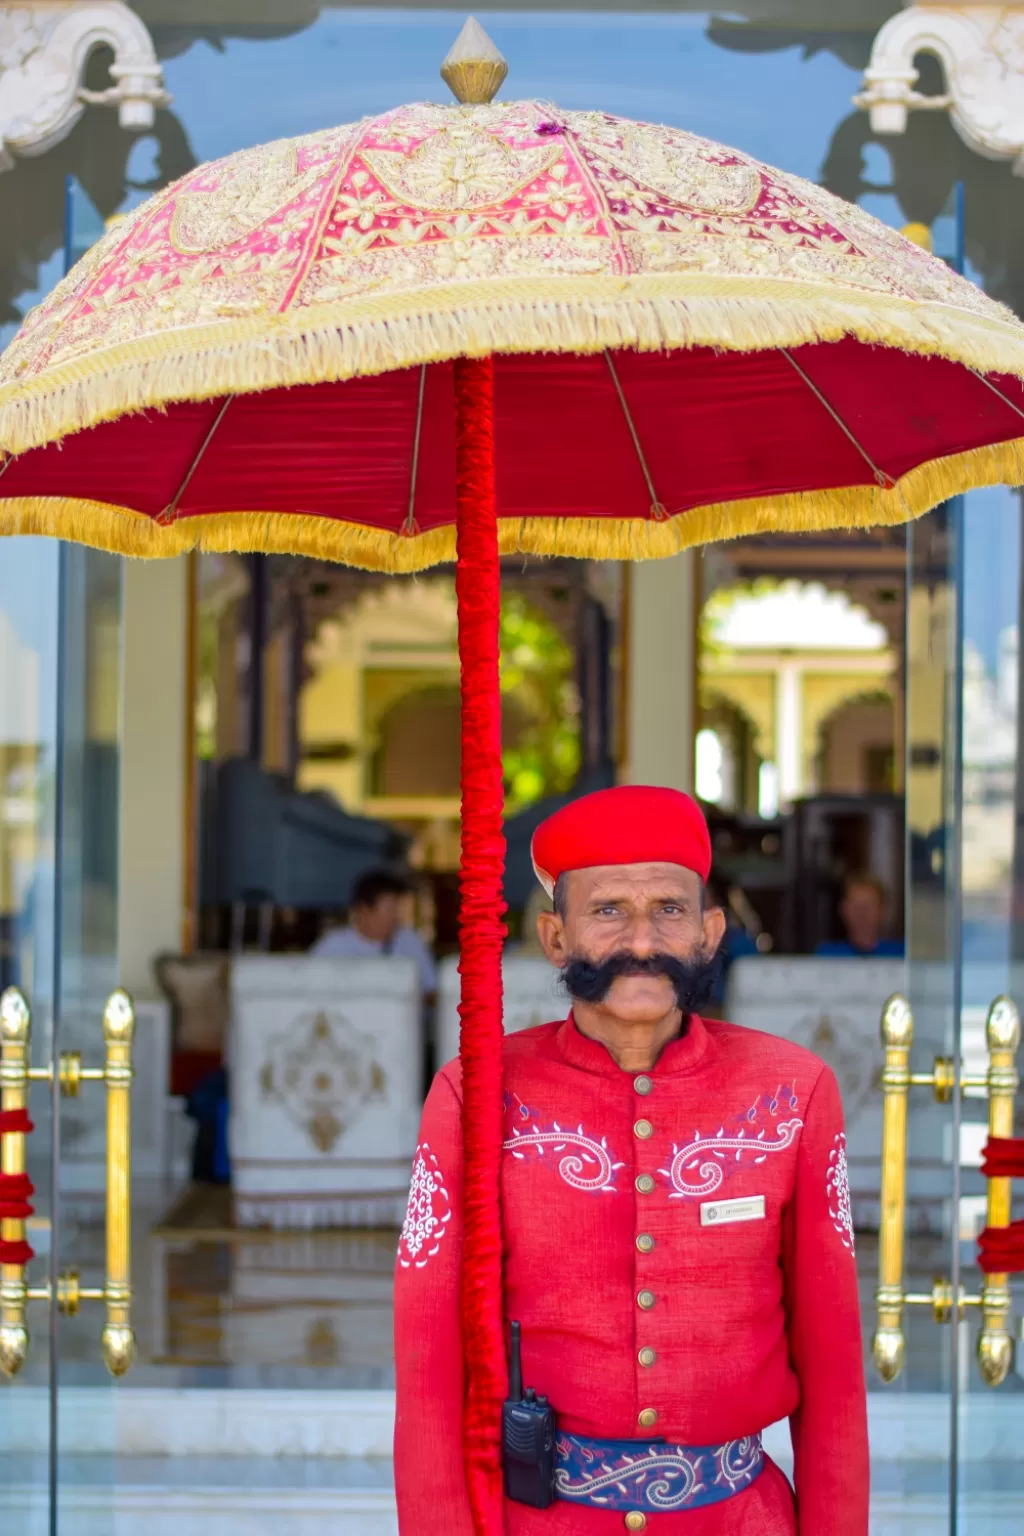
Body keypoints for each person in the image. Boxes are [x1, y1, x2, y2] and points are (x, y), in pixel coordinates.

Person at [394, 785, 868, 1535]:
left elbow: (836, 1375)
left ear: (711, 933)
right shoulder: (475, 1097)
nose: (642, 939)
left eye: (670, 910)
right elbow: (426, 1377)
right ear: (555, 937)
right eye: (609, 909)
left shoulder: (794, 1093)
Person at [310, 868, 438, 997]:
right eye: (390, 909)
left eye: (398, 909)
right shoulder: (333, 946)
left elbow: (430, 991)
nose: (395, 917)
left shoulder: (409, 941)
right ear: (363, 910)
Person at [817, 871, 904, 959]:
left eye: (868, 906)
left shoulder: (902, 954)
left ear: (882, 910)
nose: (862, 914)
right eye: (856, 906)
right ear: (843, 910)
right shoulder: (827, 956)